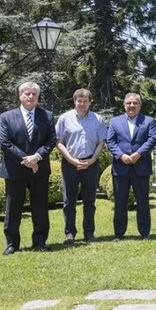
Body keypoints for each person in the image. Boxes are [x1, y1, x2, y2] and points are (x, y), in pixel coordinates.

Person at [0, 82, 56, 254]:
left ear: (38, 97)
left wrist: (37, 157)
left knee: (40, 206)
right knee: (13, 207)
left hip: (39, 169)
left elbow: (51, 141)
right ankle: (12, 243)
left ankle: (40, 241)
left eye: (34, 94)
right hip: (15, 169)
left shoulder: (47, 116)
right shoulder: (6, 117)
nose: (30, 96)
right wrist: (26, 160)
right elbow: (5, 142)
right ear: (20, 96)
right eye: (27, 93)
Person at [55, 88, 107, 244]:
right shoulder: (64, 119)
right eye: (79, 101)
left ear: (90, 102)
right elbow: (59, 142)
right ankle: (70, 233)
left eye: (85, 101)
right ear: (74, 101)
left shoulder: (98, 119)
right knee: (69, 201)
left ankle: (89, 232)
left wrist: (93, 159)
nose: (82, 104)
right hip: (70, 164)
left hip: (91, 163)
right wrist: (71, 160)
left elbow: (101, 142)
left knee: (89, 201)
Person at [106, 93, 156, 241]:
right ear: (124, 105)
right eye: (129, 103)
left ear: (140, 105)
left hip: (141, 166)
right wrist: (121, 156)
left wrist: (139, 153)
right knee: (120, 201)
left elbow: (152, 139)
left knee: (143, 201)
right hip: (121, 167)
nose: (132, 106)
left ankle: (145, 232)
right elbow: (110, 141)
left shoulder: (148, 121)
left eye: (135, 103)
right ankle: (119, 233)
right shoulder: (115, 122)